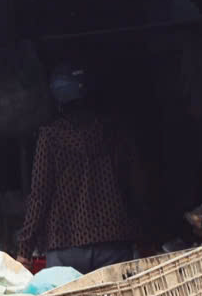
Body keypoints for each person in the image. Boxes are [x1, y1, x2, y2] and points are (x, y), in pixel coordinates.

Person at [18, 64, 153, 276]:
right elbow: (135, 186)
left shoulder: (50, 137)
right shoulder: (114, 131)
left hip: (64, 245)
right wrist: (146, 236)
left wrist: (25, 250)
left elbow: (39, 195)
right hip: (113, 241)